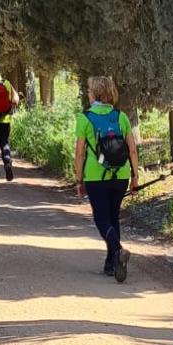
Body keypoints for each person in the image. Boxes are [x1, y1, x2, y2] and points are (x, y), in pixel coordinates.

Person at [74, 76, 142, 282]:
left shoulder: (85, 118)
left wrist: (79, 180)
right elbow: (132, 149)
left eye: (89, 90)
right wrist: (135, 176)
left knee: (101, 218)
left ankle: (118, 250)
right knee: (113, 216)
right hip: (120, 175)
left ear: (95, 93)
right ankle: (111, 263)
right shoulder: (120, 116)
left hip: (96, 176)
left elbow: (80, 154)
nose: (87, 93)